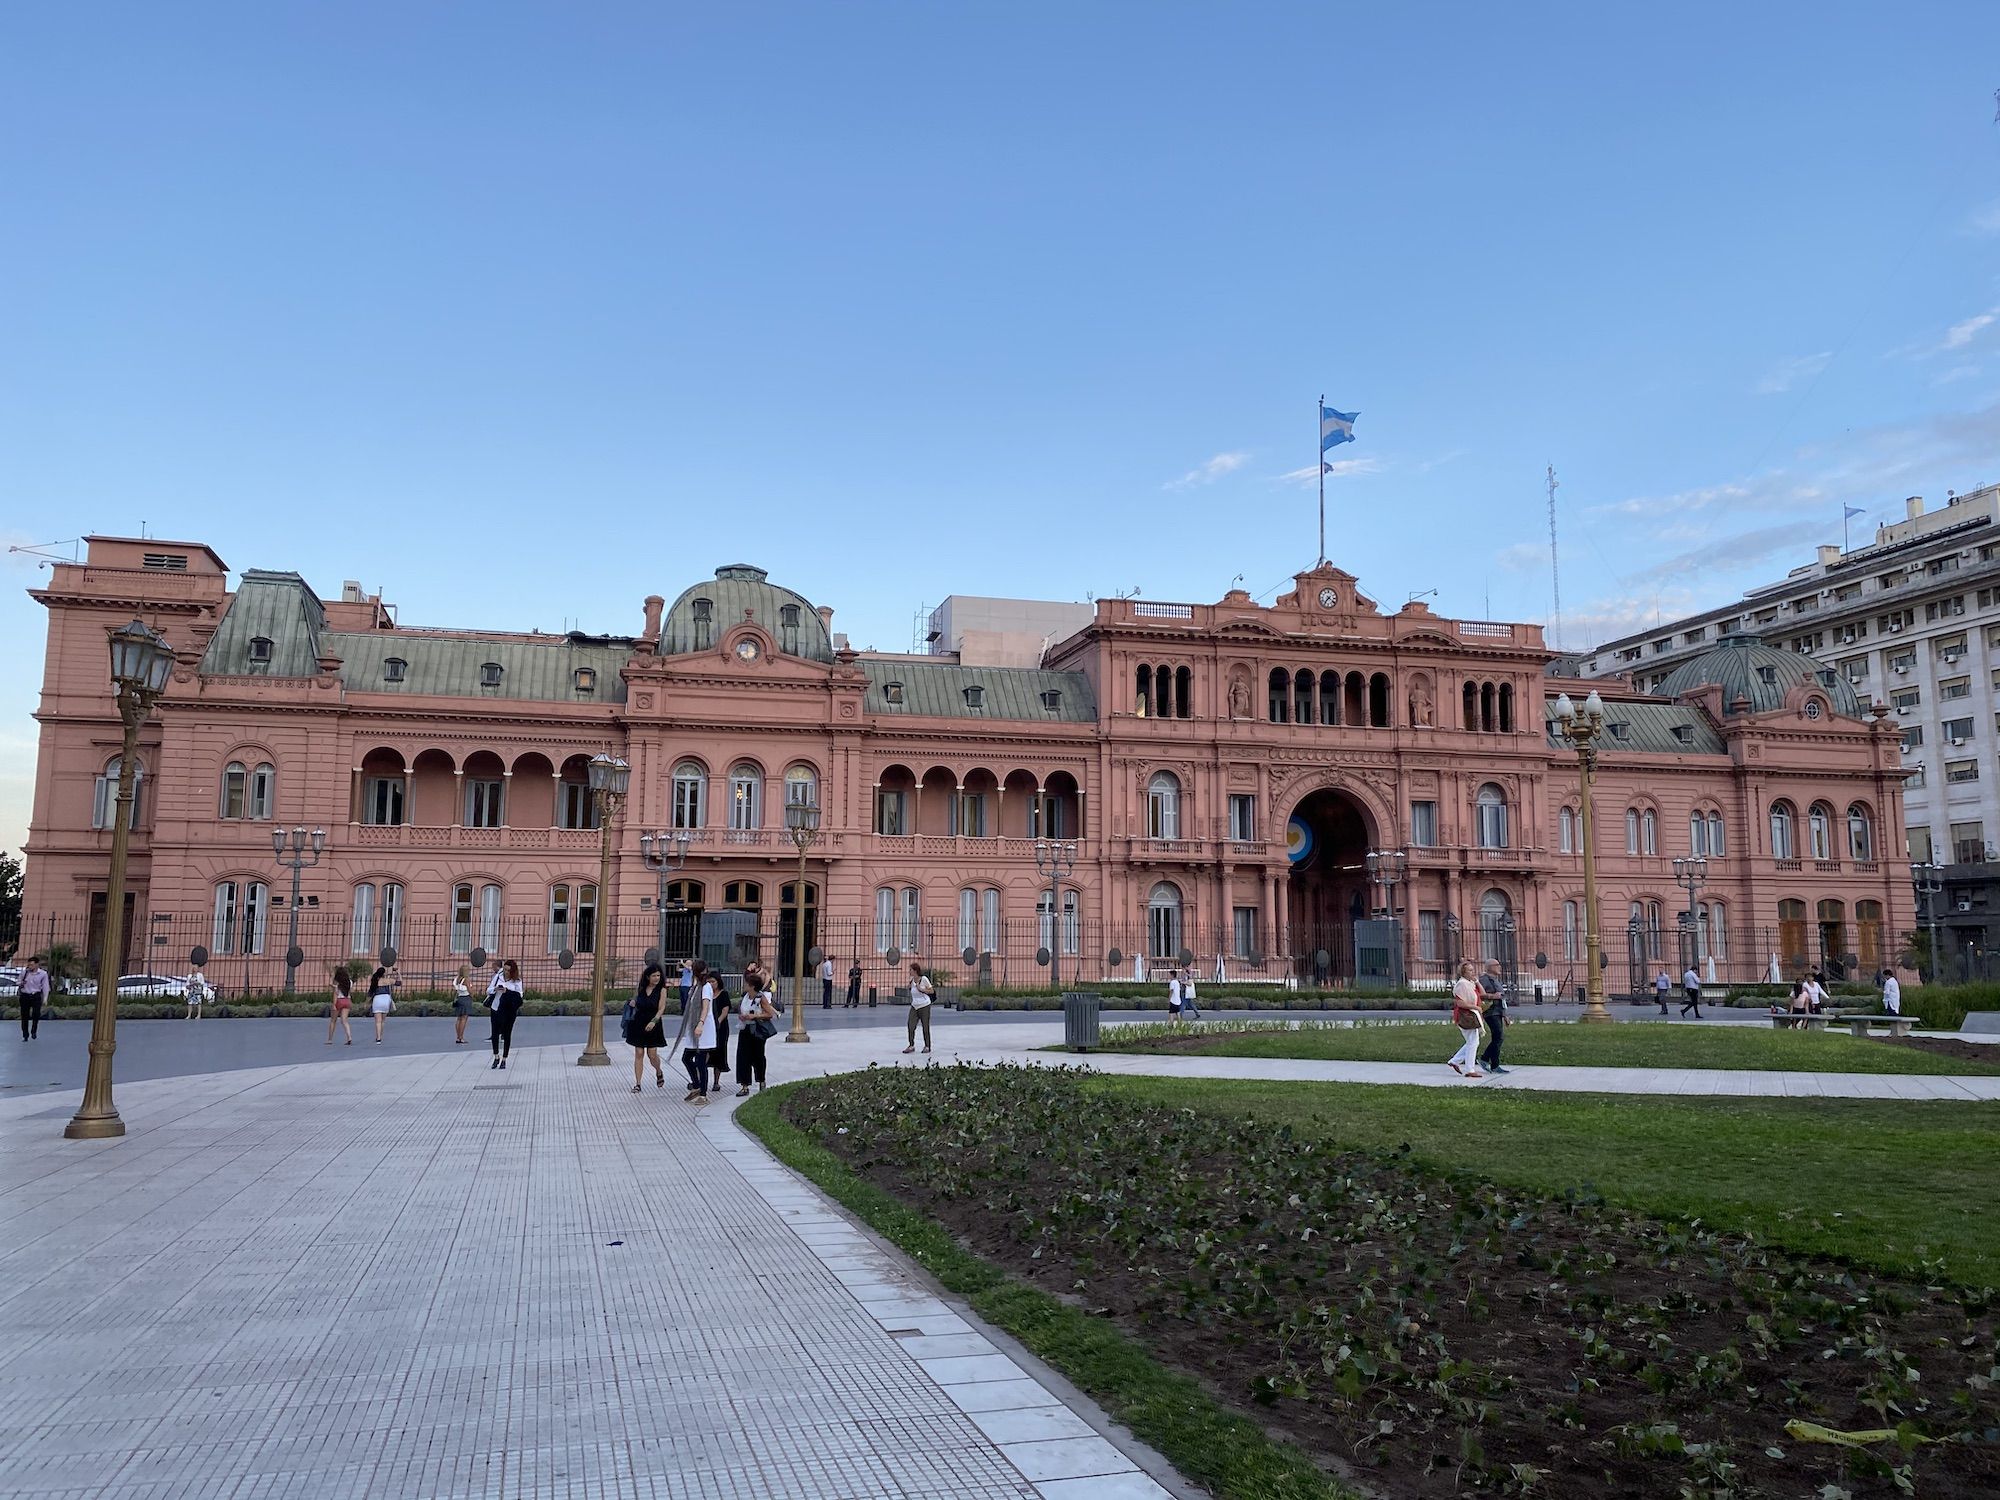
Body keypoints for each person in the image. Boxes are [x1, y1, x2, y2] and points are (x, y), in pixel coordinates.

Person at [625, 962, 669, 1093]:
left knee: (652, 1054)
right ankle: (638, 1083)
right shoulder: (640, 989)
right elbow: (636, 1002)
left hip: (653, 1022)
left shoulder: (662, 990)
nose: (657, 978)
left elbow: (661, 1008)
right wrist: (633, 1003)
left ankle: (658, 1071)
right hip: (638, 1022)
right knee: (639, 1053)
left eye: (658, 975)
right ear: (648, 976)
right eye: (654, 975)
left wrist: (654, 1021)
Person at [736, 973, 778, 1095]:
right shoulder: (745, 997)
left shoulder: (761, 998)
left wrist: (754, 1016)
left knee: (758, 1056)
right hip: (745, 1028)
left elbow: (769, 1014)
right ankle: (744, 1085)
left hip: (757, 1030)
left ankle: (761, 1080)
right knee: (743, 1057)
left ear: (752, 986)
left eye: (747, 984)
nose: (745, 986)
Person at [682, 962, 717, 1102]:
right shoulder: (695, 987)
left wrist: (700, 1024)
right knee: (686, 1058)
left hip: (703, 1028)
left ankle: (703, 1093)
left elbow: (705, 1007)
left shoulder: (706, 987)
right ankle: (696, 1085)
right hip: (693, 1027)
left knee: (701, 1061)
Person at [1447, 961, 1486, 1079]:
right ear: (1463, 972)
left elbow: (1483, 994)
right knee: (1473, 1042)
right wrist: (1475, 1007)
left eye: (1473, 970)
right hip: (1466, 1016)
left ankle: (1455, 1061)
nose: (1472, 972)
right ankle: (1470, 1069)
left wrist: (1477, 981)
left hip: (1473, 1014)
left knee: (1472, 1041)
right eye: (1470, 970)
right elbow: (1460, 1002)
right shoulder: (1462, 984)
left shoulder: (1470, 984)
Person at [489, 960, 524, 1068]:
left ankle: (504, 1058)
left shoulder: (516, 981)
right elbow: (488, 990)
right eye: (504, 969)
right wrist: (495, 989)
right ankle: (496, 1056)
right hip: (496, 1008)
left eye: (508, 970)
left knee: (507, 1034)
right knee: (495, 1033)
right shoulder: (498, 977)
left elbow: (520, 996)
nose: (506, 972)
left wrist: (507, 991)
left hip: (509, 1011)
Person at [1477, 958, 1509, 1075]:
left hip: (1498, 1011)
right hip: (1490, 1012)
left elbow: (1502, 998)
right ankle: (1487, 1060)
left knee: (1498, 1038)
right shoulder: (1484, 980)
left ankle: (1491, 1062)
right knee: (1498, 1037)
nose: (1499, 967)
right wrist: (1493, 996)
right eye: (1497, 965)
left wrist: (1505, 1015)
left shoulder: (1495, 980)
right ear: (1490, 967)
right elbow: (1480, 995)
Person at [903, 963, 934, 1055]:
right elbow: (910, 989)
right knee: (910, 1025)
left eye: (911, 970)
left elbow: (931, 991)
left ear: (915, 971)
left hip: (924, 1005)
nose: (909, 971)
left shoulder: (923, 979)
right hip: (914, 1006)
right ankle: (911, 1045)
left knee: (925, 1026)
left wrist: (921, 989)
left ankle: (927, 1046)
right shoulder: (912, 980)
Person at [17, 957, 48, 1040]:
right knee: (24, 1015)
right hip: (25, 995)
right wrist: (21, 983)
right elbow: (18, 982)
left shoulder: (43, 974)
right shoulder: (25, 973)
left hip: (36, 995)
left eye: (32, 965)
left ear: (37, 964)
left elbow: (45, 986)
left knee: (36, 1014)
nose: (30, 966)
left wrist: (45, 998)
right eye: (29, 964)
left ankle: (33, 1031)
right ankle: (25, 1034)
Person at [368, 965, 396, 1043]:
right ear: (384, 974)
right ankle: (380, 1036)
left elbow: (370, 993)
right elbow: (399, 983)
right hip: (386, 1000)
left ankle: (378, 1038)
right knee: (383, 1021)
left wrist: (366, 1002)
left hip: (377, 1000)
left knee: (378, 1021)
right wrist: (398, 973)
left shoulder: (375, 981)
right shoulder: (388, 980)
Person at [327, 965, 354, 1045]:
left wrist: (334, 1005)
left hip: (339, 1000)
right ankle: (349, 1037)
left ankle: (330, 1039)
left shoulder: (337, 983)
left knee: (333, 1021)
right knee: (344, 1021)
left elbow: (335, 994)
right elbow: (350, 992)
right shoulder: (350, 982)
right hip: (347, 1000)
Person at [452, 964, 473, 1044]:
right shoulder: (466, 980)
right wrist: (472, 995)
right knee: (464, 1019)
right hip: (466, 998)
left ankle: (458, 1037)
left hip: (459, 998)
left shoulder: (457, 979)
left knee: (459, 1018)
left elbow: (455, 990)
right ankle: (461, 1037)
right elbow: (470, 990)